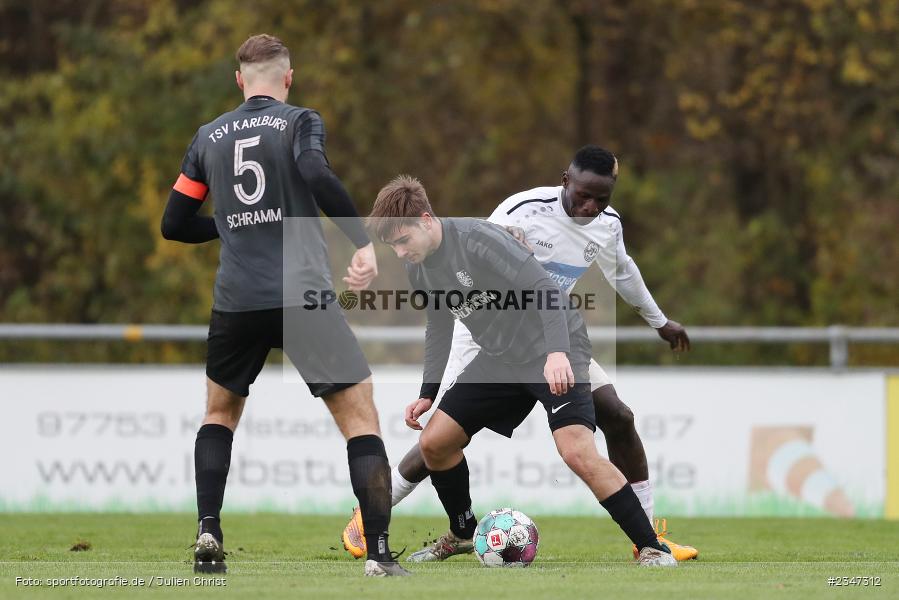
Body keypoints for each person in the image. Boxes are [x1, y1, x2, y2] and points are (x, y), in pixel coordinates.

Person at [343, 146, 697, 562]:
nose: (400, 252)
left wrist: (558, 354)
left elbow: (545, 290)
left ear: (425, 220)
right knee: (436, 441)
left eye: (402, 241)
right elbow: (439, 324)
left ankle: (651, 548)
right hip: (499, 357)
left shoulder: (477, 239)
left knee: (577, 451)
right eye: (394, 246)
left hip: (554, 345)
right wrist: (428, 389)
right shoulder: (418, 264)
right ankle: (463, 533)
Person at [161, 34, 409, 577]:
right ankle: (381, 555)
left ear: (239, 80)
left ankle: (208, 530)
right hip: (304, 295)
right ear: (288, 78)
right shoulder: (299, 121)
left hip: (238, 299)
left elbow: (173, 225)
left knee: (219, 415)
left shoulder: (207, 137)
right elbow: (317, 175)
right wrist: (362, 241)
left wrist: (226, 226)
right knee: (360, 418)